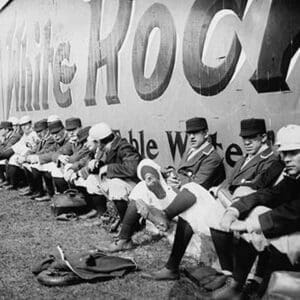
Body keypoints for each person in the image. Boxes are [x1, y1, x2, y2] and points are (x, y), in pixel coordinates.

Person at [106, 117, 225, 253]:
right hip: (177, 191)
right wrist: (170, 174)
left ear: (205, 133)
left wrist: (178, 181)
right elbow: (182, 172)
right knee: (144, 179)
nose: (191, 137)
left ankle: (131, 234)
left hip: (190, 201)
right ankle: (124, 239)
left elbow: (198, 186)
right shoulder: (191, 150)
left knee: (143, 189)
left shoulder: (212, 156)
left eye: (196, 133)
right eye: (189, 134)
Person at [208, 124, 300, 299]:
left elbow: (292, 212)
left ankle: (260, 287)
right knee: (255, 213)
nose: (286, 158)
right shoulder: (291, 173)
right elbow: (269, 193)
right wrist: (235, 210)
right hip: (285, 229)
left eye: (293, 152)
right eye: (284, 153)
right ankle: (239, 286)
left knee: (273, 235)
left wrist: (249, 225)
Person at [210, 118, 283, 207]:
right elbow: (229, 180)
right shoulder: (243, 158)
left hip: (245, 205)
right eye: (244, 138)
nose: (247, 142)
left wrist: (221, 191)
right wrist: (218, 189)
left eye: (252, 137)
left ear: (263, 137)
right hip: (227, 200)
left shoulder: (271, 159)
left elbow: (256, 185)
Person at [85, 122, 142, 225]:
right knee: (92, 180)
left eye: (95, 142)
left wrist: (108, 168)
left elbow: (132, 169)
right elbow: (104, 167)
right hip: (123, 183)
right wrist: (96, 164)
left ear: (99, 142)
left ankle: (127, 225)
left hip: (136, 186)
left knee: (116, 184)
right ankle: (103, 217)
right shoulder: (104, 148)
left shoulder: (124, 147)